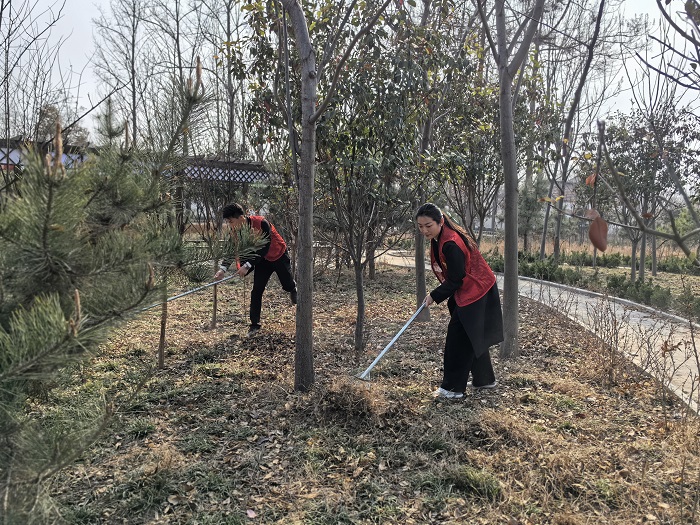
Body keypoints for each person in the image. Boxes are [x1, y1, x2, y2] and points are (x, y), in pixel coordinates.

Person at [416, 203, 503, 399]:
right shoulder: (440, 237)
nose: (424, 230)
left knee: (458, 340)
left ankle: (452, 389)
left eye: (428, 225)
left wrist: (433, 296)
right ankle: (485, 380)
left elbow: (456, 279)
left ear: (440, 221)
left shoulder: (450, 244)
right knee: (472, 336)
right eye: (420, 226)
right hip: (473, 288)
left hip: (477, 291)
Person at [214, 203, 297, 337]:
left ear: (241, 217)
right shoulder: (234, 232)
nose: (230, 225)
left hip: (278, 255)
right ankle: (254, 325)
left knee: (287, 285)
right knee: (257, 290)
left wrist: (247, 266)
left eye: (231, 221)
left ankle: (293, 288)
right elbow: (230, 251)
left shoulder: (261, 223)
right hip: (261, 261)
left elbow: (264, 248)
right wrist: (222, 269)